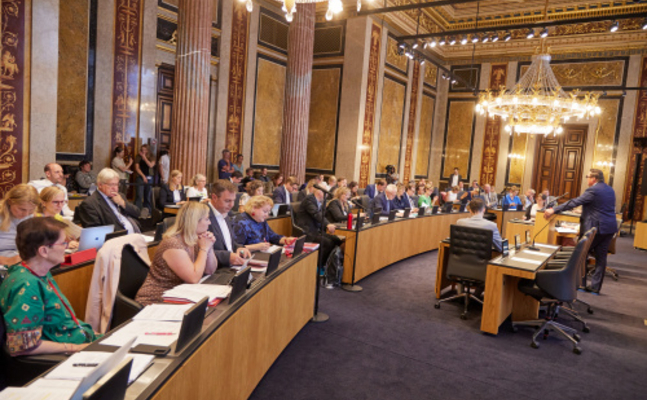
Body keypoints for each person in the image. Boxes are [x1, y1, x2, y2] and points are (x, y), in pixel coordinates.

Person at [0, 217, 100, 356]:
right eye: (63, 243)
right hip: (67, 354)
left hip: (82, 341)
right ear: (44, 251)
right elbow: (22, 345)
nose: (66, 247)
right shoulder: (26, 286)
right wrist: (73, 348)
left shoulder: (40, 272)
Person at [544, 169, 617, 294]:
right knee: (601, 257)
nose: (587, 179)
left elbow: (575, 202)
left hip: (596, 228)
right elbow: (600, 207)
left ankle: (580, 284)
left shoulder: (593, 190)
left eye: (588, 176)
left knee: (582, 253)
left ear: (593, 178)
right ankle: (595, 287)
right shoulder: (610, 189)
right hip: (609, 228)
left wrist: (554, 209)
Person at [135, 202, 218, 306]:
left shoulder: (196, 238)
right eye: (206, 219)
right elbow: (193, 278)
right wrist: (204, 249)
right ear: (194, 221)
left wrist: (209, 247)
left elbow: (210, 270)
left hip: (178, 296)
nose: (209, 223)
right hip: (156, 300)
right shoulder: (173, 244)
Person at [73, 168, 141, 233]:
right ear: (100, 185)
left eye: (117, 184)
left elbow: (137, 213)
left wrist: (123, 203)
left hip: (135, 234)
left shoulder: (120, 196)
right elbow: (96, 232)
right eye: (111, 185)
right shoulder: (89, 204)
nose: (115, 188)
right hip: (116, 239)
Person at [206, 180, 252, 268]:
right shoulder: (202, 216)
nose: (231, 205)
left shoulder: (226, 213)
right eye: (227, 201)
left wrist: (239, 248)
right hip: (214, 270)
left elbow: (228, 244)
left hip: (230, 267)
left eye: (233, 200)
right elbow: (198, 250)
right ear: (214, 197)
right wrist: (227, 257)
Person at [296, 187, 342, 264]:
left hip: (317, 230)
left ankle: (328, 265)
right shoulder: (309, 200)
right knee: (327, 243)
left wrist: (328, 225)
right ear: (320, 193)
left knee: (336, 240)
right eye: (325, 193)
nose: (327, 196)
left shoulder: (320, 201)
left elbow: (322, 216)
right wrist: (328, 224)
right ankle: (317, 266)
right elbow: (316, 214)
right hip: (308, 231)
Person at [0, 184, 39, 266]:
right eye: (22, 209)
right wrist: (6, 260)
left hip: (19, 258)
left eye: (31, 210)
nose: (26, 214)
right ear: (10, 202)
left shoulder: (30, 216)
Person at [134, 144, 156, 216]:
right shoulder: (138, 156)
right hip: (140, 177)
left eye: (145, 150)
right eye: (142, 150)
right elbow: (137, 168)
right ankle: (137, 212)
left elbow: (151, 165)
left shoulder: (152, 156)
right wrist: (143, 176)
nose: (143, 151)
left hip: (149, 177)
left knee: (148, 195)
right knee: (139, 195)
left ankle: (148, 212)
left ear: (148, 150)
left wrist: (144, 158)